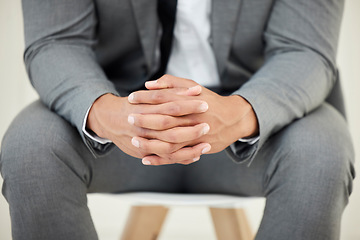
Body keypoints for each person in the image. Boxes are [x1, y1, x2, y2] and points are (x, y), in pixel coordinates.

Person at [0, 0, 355, 239]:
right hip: (115, 117)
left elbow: (304, 50)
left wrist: (238, 114)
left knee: (320, 151)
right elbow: (56, 41)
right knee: (31, 148)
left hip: (259, 115)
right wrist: (108, 112)